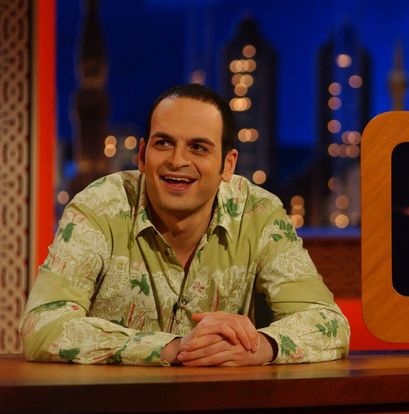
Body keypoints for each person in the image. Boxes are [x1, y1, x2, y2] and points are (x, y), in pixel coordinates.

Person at [21, 84, 350, 366]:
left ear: (228, 164)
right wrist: (172, 348)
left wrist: (258, 347)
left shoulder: (259, 214)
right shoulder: (98, 208)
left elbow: (330, 324)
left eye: (198, 147)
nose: (177, 160)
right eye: (163, 143)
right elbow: (43, 325)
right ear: (142, 156)